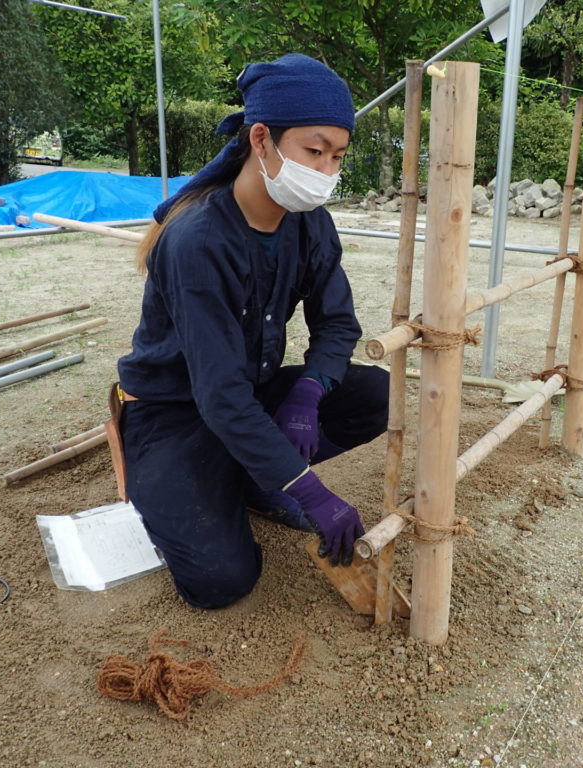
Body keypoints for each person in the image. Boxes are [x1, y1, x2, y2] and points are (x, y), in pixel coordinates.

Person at [115, 53, 389, 610]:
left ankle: (255, 477)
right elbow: (218, 396)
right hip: (173, 414)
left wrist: (309, 394)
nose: (325, 172)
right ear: (261, 139)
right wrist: (310, 490)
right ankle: (212, 481)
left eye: (337, 156)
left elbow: (337, 322)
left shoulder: (309, 222)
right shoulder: (197, 240)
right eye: (313, 151)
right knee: (220, 582)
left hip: (245, 394)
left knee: (374, 394)